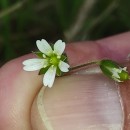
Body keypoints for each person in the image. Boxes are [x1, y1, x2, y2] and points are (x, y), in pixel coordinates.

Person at [0, 32, 130, 130]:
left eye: (54, 59)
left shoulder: (99, 64)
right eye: (51, 60)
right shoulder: (55, 66)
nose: (52, 60)